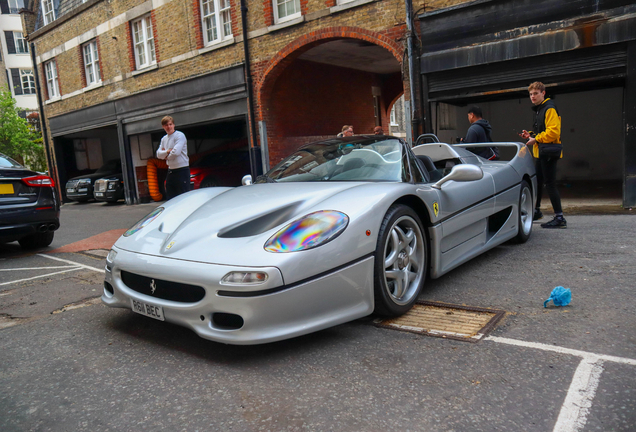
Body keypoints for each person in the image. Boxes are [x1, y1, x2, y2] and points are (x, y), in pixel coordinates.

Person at [520, 82, 566, 229]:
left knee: (550, 184)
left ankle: (559, 218)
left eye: (536, 93)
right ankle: (537, 211)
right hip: (542, 152)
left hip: (548, 152)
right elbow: (543, 131)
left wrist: (537, 139)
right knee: (538, 181)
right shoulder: (540, 109)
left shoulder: (549, 108)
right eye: (531, 94)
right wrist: (531, 135)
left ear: (543, 93)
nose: (533, 96)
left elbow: (553, 132)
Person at [156, 116, 190, 200]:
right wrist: (167, 151)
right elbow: (158, 154)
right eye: (166, 125)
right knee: (171, 197)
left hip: (182, 169)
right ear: (163, 127)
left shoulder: (180, 135)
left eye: (170, 124)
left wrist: (166, 157)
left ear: (174, 125)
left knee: (183, 196)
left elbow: (176, 152)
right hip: (171, 170)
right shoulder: (164, 139)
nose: (169, 127)